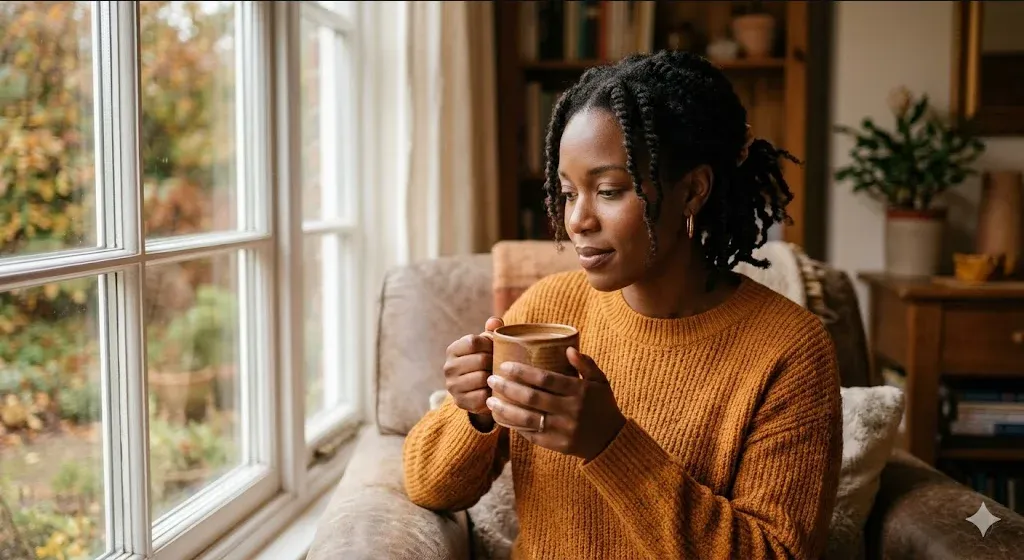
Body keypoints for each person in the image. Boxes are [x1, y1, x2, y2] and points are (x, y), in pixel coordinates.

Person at [402, 50, 841, 559]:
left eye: (609, 190)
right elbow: (430, 488)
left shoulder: (791, 350)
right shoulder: (550, 310)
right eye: (568, 194)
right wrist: (474, 412)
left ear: (693, 190)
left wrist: (611, 444)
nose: (578, 221)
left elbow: (775, 554)